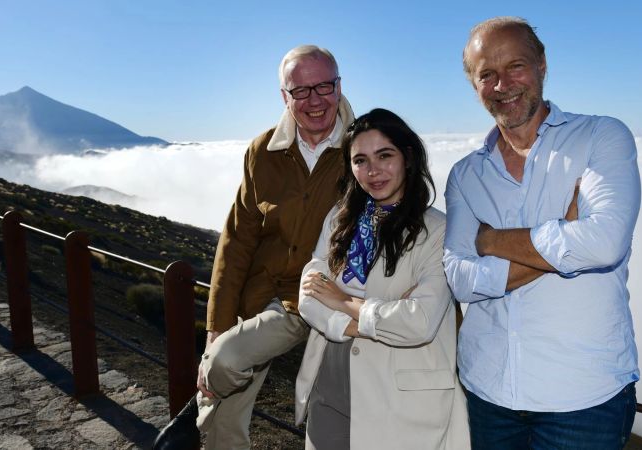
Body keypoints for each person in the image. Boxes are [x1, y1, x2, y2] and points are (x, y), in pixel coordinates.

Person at [443, 17, 641, 449]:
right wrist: (564, 238)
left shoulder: (600, 137)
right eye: (486, 75)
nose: (502, 85)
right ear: (474, 85)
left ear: (542, 64)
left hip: (584, 398)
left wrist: (492, 241)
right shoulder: (465, 175)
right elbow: (459, 278)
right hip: (488, 393)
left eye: (515, 66)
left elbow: (605, 243)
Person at [153, 45, 354, 450]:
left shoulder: (362, 147)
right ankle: (207, 400)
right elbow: (237, 240)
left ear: (339, 85)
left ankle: (200, 397)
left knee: (223, 367)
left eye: (324, 87)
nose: (314, 100)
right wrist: (217, 327)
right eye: (300, 91)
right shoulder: (262, 151)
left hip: (322, 297)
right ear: (284, 96)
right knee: (222, 420)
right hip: (261, 294)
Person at [295, 108, 470, 450]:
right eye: (360, 160)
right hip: (329, 386)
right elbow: (309, 293)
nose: (372, 170)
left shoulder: (437, 230)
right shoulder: (341, 218)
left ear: (407, 157)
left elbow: (419, 323)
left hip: (399, 400)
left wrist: (345, 301)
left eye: (384, 155)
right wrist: (370, 317)